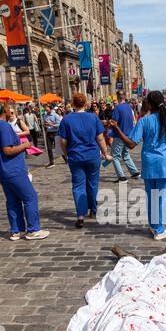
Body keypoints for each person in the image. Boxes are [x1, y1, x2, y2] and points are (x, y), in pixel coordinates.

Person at [110, 90, 166, 241]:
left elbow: (131, 144)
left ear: (149, 105)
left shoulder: (143, 121)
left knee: (152, 196)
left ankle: (154, 225)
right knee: (161, 198)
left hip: (148, 163)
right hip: (163, 164)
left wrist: (117, 129)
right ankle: (159, 230)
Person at [58, 93, 113, 229]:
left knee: (78, 186)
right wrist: (105, 153)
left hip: (75, 156)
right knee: (92, 184)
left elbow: (63, 141)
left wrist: (66, 154)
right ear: (85, 103)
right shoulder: (93, 118)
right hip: (92, 156)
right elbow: (100, 138)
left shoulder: (66, 119)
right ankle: (93, 210)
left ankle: (80, 216)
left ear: (73, 103)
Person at [0, 102, 49, 241]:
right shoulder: (4, 126)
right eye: (9, 109)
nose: (11, 111)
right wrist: (25, 145)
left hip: (4, 170)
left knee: (13, 200)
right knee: (30, 197)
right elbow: (8, 150)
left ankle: (16, 230)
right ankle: (33, 230)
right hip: (13, 169)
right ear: (5, 110)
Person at [111, 90, 140, 183]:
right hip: (128, 135)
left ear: (117, 97)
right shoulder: (129, 107)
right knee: (125, 154)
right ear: (125, 96)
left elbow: (114, 122)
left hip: (119, 135)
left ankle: (122, 177)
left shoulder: (117, 108)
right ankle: (134, 172)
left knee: (114, 156)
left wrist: (107, 123)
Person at [43, 104, 62, 168]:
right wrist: (44, 125)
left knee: (59, 148)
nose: (46, 111)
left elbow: (59, 124)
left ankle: (66, 159)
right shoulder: (45, 115)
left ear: (51, 109)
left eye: (47, 110)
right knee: (49, 149)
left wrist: (51, 124)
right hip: (48, 133)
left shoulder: (55, 115)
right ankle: (51, 162)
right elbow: (44, 123)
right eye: (45, 110)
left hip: (55, 132)